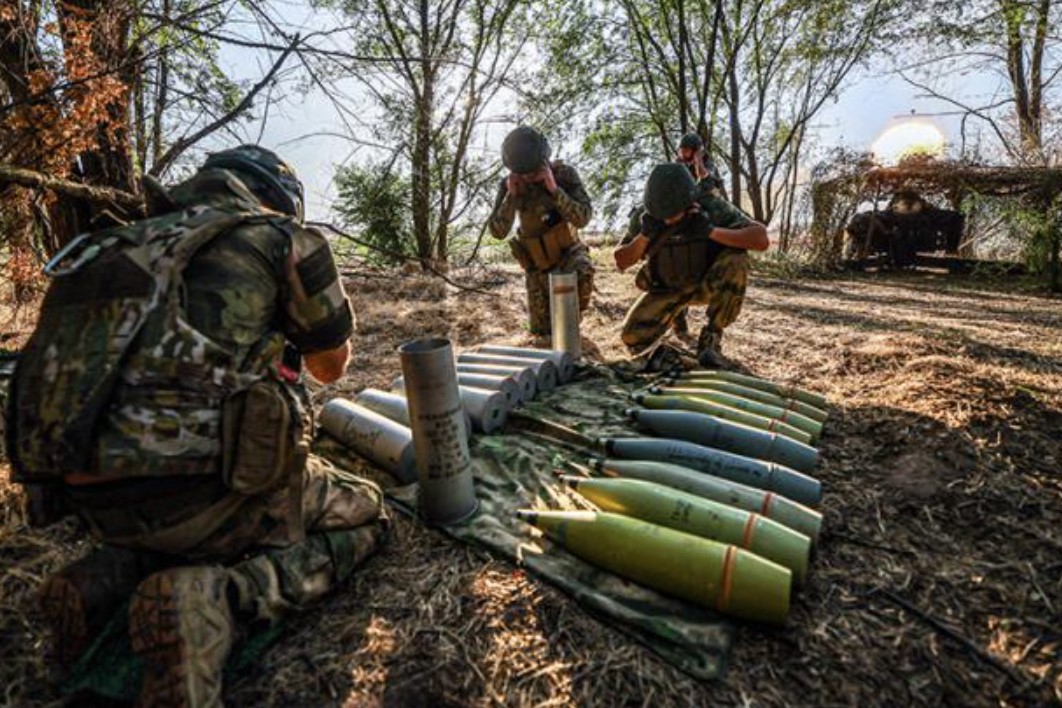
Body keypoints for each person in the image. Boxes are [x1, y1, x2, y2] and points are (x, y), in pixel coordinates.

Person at [11, 145, 387, 706]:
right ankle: (224, 600)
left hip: (87, 505)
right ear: (278, 200)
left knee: (174, 510)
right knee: (369, 512)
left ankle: (101, 581)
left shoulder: (100, 246)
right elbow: (329, 368)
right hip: (206, 498)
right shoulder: (279, 237)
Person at [613, 163, 768, 368]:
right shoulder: (645, 216)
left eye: (673, 213)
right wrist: (644, 236)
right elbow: (621, 261)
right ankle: (670, 352)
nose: (668, 218)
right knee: (631, 336)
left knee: (736, 258)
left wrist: (710, 231)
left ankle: (711, 340)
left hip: (705, 284)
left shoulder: (710, 205)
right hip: (667, 288)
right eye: (663, 214)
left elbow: (760, 239)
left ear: (689, 202)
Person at [487, 126, 594, 335]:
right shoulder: (509, 185)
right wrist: (511, 197)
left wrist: (555, 190)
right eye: (522, 173)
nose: (527, 177)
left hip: (569, 256)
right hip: (537, 268)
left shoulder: (564, 175)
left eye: (532, 172)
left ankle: (572, 321)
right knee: (543, 336)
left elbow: (583, 218)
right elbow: (497, 231)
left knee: (568, 325)